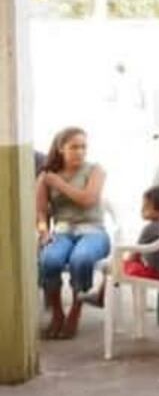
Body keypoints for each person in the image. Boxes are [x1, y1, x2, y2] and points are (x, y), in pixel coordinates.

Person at [36, 127, 110, 339]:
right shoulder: (46, 176)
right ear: (61, 149)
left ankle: (75, 313)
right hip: (61, 231)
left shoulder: (95, 170)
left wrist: (59, 184)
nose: (80, 151)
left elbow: (88, 199)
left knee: (81, 258)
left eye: (83, 147)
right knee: (49, 259)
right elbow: (40, 213)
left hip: (93, 231)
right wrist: (43, 233)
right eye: (74, 147)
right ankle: (57, 313)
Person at [82, 186, 159, 308]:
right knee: (117, 266)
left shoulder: (150, 228)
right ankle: (103, 295)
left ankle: (101, 298)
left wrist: (122, 263)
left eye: (146, 207)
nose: (142, 210)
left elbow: (135, 254)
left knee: (112, 267)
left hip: (154, 273)